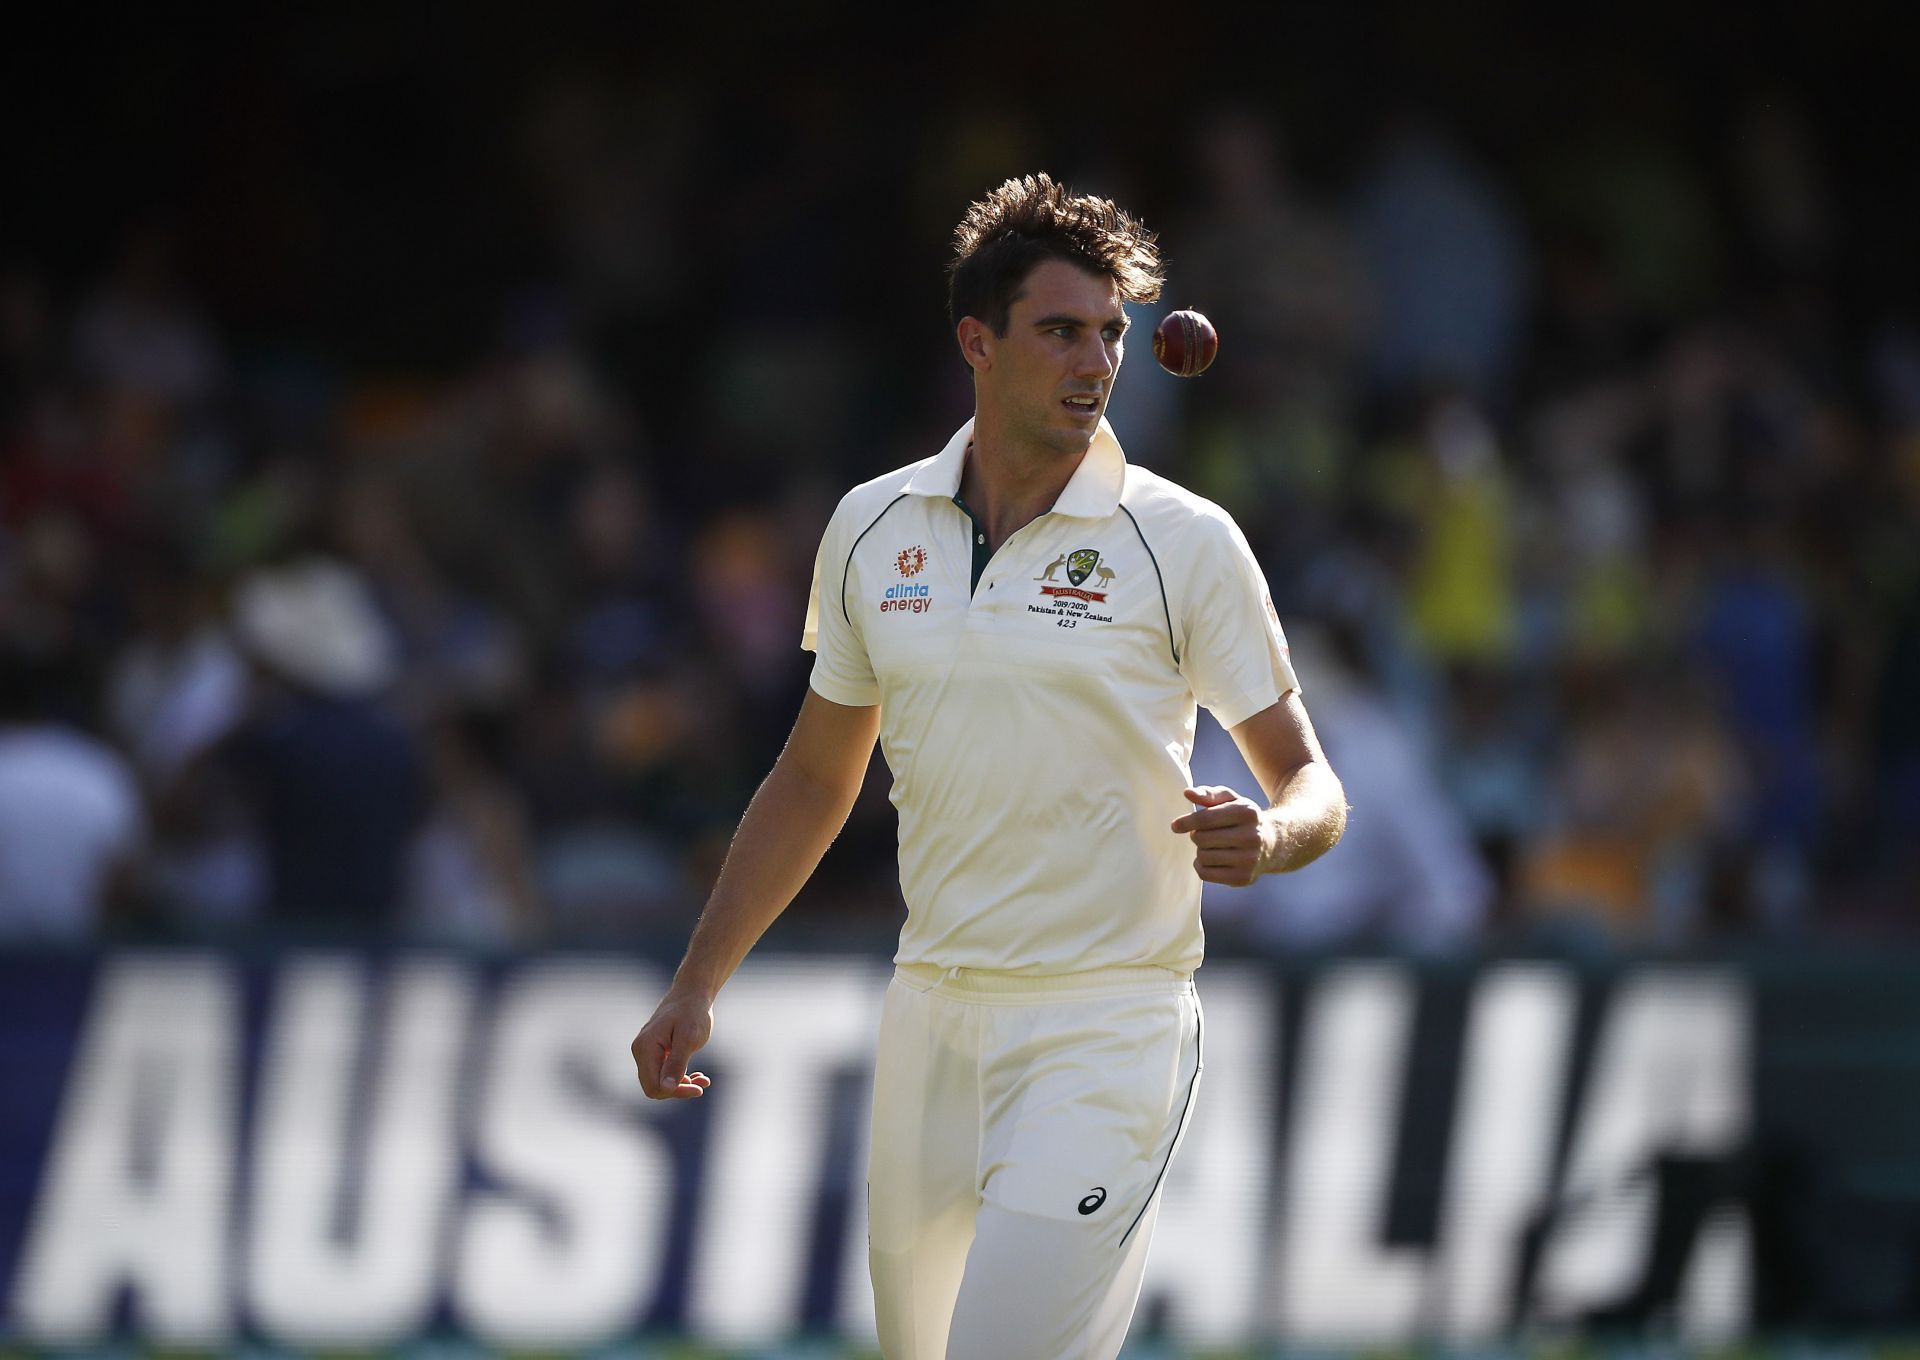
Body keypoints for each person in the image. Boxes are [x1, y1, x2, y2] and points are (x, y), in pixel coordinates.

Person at [632, 173, 1348, 1359]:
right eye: (1062, 330)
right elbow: (815, 778)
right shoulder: (872, 525)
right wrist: (698, 979)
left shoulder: (1185, 541)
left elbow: (1313, 783)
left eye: (1112, 335)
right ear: (979, 340)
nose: (1096, 362)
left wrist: (1271, 837)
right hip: (933, 1021)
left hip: (1107, 1028)